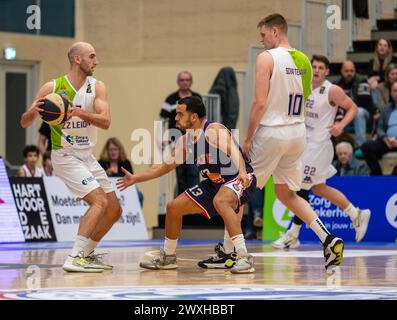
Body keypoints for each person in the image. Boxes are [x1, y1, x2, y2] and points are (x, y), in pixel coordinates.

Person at [241, 14, 344, 273]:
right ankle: (328, 240)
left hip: (272, 132)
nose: (261, 40)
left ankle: (233, 252)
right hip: (297, 134)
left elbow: (259, 102)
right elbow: (305, 98)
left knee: (238, 189)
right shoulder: (303, 62)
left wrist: (248, 136)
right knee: (287, 194)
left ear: (275, 32)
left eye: (263, 35)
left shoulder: (266, 57)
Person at [117, 96, 257, 274]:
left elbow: (234, 152)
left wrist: (243, 173)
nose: (175, 118)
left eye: (180, 113)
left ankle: (244, 257)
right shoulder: (186, 142)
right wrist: (136, 178)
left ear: (194, 117)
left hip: (240, 176)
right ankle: (168, 257)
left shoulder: (212, 130)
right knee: (173, 207)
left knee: (221, 201)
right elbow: (163, 167)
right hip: (215, 183)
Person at [20, 41, 122, 273]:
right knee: (99, 201)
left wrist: (79, 112)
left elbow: (105, 122)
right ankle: (75, 257)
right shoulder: (52, 87)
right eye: (92, 56)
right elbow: (25, 122)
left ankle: (86, 254)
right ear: (78, 59)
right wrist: (33, 111)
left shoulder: (97, 87)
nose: (96, 61)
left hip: (87, 155)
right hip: (64, 154)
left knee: (114, 209)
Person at [272, 55, 371, 250]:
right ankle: (355, 213)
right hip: (303, 145)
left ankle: (293, 234)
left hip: (319, 146)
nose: (316, 70)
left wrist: (341, 125)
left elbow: (353, 108)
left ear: (326, 71)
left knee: (301, 189)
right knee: (318, 188)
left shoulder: (331, 90)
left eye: (320, 67)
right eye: (313, 66)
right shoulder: (302, 86)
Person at [160, 71, 201, 196]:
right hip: (177, 143)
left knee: (194, 173)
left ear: (191, 82)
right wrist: (161, 138)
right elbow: (162, 120)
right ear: (178, 82)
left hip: (194, 142)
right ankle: (180, 205)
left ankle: (194, 207)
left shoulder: (197, 98)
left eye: (187, 80)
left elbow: (202, 119)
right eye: (182, 80)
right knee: (181, 176)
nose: (185, 82)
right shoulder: (170, 99)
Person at [361, 82, 397, 175]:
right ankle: (378, 176)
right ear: (391, 93)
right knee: (366, 147)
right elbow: (379, 128)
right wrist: (385, 138)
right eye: (395, 91)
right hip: (388, 141)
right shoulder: (386, 108)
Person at [336, 60, 375, 146]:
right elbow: (337, 104)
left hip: (364, 113)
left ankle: (361, 146)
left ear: (355, 71)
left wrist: (346, 109)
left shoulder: (362, 81)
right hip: (346, 113)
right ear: (341, 71)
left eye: (351, 71)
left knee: (358, 111)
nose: (349, 73)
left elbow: (363, 102)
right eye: (346, 71)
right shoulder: (338, 84)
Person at [99, 137, 144, 206]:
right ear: (107, 151)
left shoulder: (126, 162)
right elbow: (96, 179)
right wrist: (106, 173)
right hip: (106, 192)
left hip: (124, 191)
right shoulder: (101, 162)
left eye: (115, 149)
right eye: (111, 150)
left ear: (119, 150)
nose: (113, 152)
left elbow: (131, 179)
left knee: (139, 195)